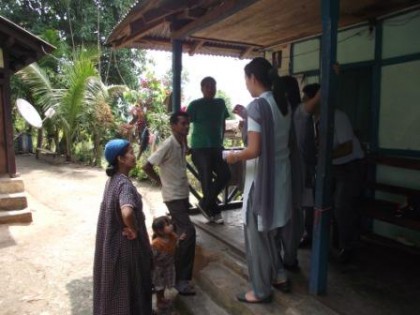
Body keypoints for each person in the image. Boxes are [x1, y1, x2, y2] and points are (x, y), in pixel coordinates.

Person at [226, 57, 293, 303]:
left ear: (253, 78)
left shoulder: (256, 106)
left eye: (246, 79)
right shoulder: (283, 104)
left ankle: (260, 290)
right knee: (271, 233)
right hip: (281, 180)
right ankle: (278, 274)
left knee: (256, 238)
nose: (246, 84)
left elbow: (253, 150)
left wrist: (233, 156)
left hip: (261, 183)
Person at [302, 83, 365, 263]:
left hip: (350, 166)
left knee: (342, 206)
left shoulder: (338, 116)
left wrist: (322, 156)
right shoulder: (314, 120)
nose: (305, 103)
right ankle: (325, 241)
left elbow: (347, 147)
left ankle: (349, 247)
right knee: (319, 203)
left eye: (307, 99)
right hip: (332, 167)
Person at [93, 139, 152, 315]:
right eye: (131, 152)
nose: (134, 156)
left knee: (116, 289)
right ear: (120, 159)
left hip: (111, 246)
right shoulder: (124, 184)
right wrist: (133, 229)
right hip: (126, 248)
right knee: (130, 288)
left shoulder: (112, 181)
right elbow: (127, 212)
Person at [142, 111, 196, 296]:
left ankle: (169, 271)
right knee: (189, 232)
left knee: (179, 235)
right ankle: (181, 280)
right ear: (173, 126)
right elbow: (147, 165)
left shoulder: (181, 143)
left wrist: (187, 143)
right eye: (182, 124)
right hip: (173, 196)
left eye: (188, 123)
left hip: (182, 194)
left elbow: (186, 151)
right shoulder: (168, 144)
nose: (186, 126)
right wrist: (159, 181)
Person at [187, 76, 231, 224]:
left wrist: (221, 140)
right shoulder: (195, 104)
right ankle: (214, 211)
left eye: (213, 86)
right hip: (199, 148)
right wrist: (185, 145)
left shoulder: (220, 103)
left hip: (216, 147)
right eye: (207, 86)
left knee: (225, 174)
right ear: (202, 89)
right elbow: (184, 123)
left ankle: (205, 203)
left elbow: (223, 122)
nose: (211, 89)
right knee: (206, 181)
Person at [151, 215, 186, 310]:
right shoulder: (156, 243)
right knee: (159, 286)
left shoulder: (172, 236)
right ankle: (159, 302)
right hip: (158, 269)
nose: (171, 226)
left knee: (164, 284)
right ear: (159, 231)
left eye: (170, 223)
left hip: (168, 266)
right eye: (167, 225)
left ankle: (162, 299)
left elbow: (175, 244)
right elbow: (151, 257)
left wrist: (180, 239)